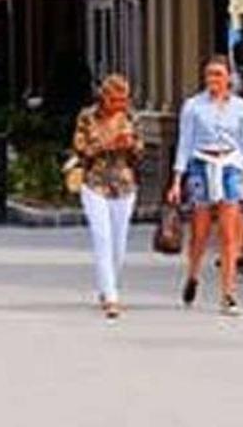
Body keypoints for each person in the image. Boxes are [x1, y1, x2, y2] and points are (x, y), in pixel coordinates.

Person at [166, 55, 243, 316]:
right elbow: (185, 143)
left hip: (230, 164)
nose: (213, 80)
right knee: (201, 229)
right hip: (201, 163)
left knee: (229, 232)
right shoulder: (193, 106)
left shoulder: (239, 106)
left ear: (229, 77)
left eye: (218, 74)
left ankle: (228, 293)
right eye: (209, 74)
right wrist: (177, 180)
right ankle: (193, 273)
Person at [72, 75, 144, 319]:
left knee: (119, 243)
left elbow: (139, 153)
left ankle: (108, 286)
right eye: (115, 100)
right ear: (104, 97)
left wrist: (130, 145)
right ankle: (112, 297)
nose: (119, 104)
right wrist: (106, 145)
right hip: (95, 183)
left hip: (124, 184)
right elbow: (80, 149)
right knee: (102, 238)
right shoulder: (87, 117)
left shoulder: (131, 117)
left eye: (123, 100)